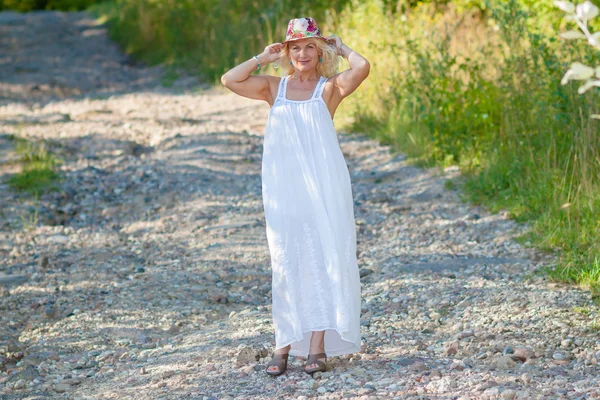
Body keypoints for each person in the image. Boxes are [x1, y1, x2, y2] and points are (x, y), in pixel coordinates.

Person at [221, 17, 370, 377]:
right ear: (287, 52)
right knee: (287, 260)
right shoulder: (275, 88)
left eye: (310, 47)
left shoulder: (330, 88)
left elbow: (363, 67)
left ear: (319, 52)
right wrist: (262, 57)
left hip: (324, 186)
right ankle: (283, 344)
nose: (302, 54)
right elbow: (230, 80)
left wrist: (341, 47)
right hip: (283, 189)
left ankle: (316, 348)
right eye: (295, 47)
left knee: (321, 258)